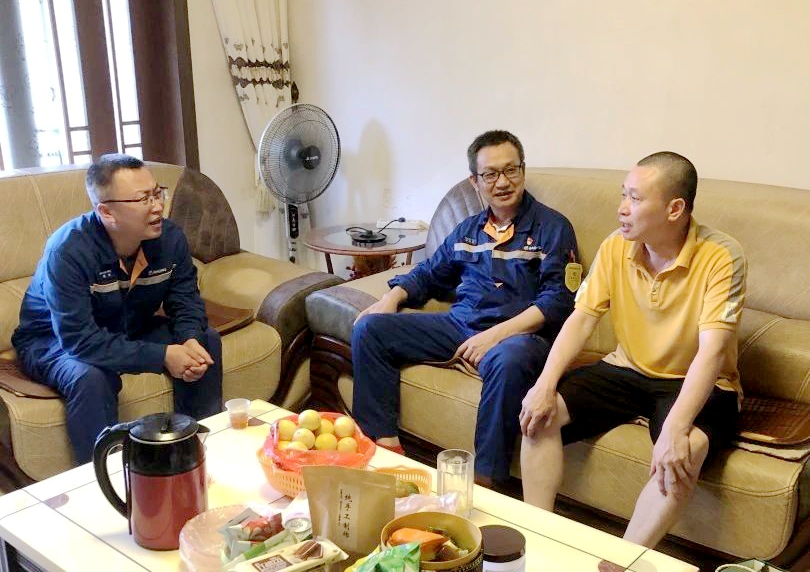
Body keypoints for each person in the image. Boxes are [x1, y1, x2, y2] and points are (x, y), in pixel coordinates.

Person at [519, 152, 746, 549]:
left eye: (636, 199)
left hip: (696, 379)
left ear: (675, 209)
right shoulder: (615, 246)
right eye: (623, 195)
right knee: (541, 414)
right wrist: (544, 384)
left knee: (683, 451)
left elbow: (711, 353)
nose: (622, 208)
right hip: (627, 368)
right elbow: (582, 319)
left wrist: (675, 427)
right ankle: (538, 542)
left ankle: (621, 562)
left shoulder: (723, 256)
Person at [351, 130, 580, 486]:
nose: (502, 182)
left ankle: (487, 482)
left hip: (519, 337)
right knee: (370, 330)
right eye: (490, 174)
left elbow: (557, 302)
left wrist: (495, 336)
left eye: (511, 170)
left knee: (509, 361)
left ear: (522, 171)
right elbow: (428, 273)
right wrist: (390, 299)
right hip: (459, 326)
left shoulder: (553, 228)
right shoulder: (468, 230)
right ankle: (384, 449)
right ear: (475, 182)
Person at [12, 154, 223, 464]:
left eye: (157, 193)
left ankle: (198, 453)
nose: (157, 206)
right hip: (53, 340)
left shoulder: (170, 238)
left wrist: (190, 338)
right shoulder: (68, 250)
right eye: (143, 199)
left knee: (205, 342)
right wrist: (163, 355)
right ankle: (103, 475)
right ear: (106, 212)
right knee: (90, 378)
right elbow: (79, 340)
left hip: (127, 327)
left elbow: (185, 300)